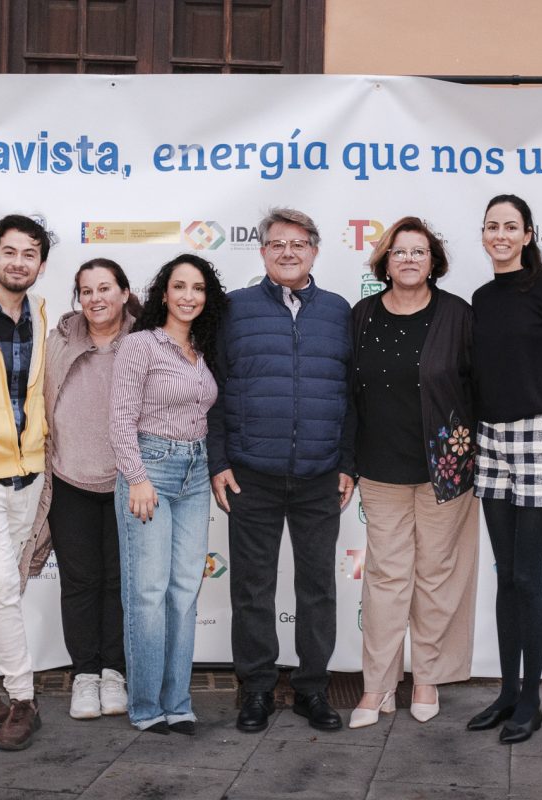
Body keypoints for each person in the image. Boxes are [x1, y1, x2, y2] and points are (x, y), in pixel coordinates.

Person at [208, 207, 355, 734]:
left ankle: (313, 690)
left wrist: (348, 463)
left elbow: (352, 397)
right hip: (252, 475)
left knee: (317, 587)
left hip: (320, 476)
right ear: (263, 251)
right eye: (277, 244)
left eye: (298, 243)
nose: (288, 251)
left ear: (315, 249)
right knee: (251, 588)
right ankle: (256, 691)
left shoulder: (340, 312)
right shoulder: (233, 311)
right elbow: (215, 391)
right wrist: (218, 460)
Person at [349, 216, 479, 729]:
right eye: (399, 251)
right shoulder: (361, 315)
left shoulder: (458, 315)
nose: (408, 259)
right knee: (385, 578)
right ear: (384, 260)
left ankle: (426, 677)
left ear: (433, 261)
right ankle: (377, 686)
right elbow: (347, 393)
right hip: (380, 470)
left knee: (437, 577)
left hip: (446, 469)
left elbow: (480, 389)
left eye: (418, 251)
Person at [467, 194, 542, 744]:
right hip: (490, 440)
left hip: (541, 437)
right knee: (506, 576)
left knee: (529, 576)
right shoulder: (480, 298)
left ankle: (532, 699)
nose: (500, 234)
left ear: (529, 234)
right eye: (492, 226)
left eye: (511, 226)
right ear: (483, 235)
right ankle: (507, 692)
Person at [110, 253, 226, 735]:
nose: (188, 296)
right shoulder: (141, 345)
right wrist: (137, 478)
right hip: (150, 472)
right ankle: (144, 706)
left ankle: (178, 701)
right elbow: (120, 418)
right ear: (163, 293)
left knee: (183, 592)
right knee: (148, 593)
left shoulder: (202, 349)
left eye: (198, 288)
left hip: (196, 474)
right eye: (179, 286)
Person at [31, 258, 140, 720]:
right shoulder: (59, 341)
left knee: (119, 582)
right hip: (70, 480)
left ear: (124, 292)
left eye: (105, 288)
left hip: (126, 485)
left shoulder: (144, 342)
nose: (96, 298)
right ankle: (85, 676)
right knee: (79, 583)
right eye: (87, 290)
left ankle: (114, 672)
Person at [0, 214, 52, 750]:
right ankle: (23, 697)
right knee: (0, 584)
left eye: (29, 254)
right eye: (9, 251)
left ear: (41, 264)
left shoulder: (43, 316)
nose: (18, 262)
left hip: (30, 472)